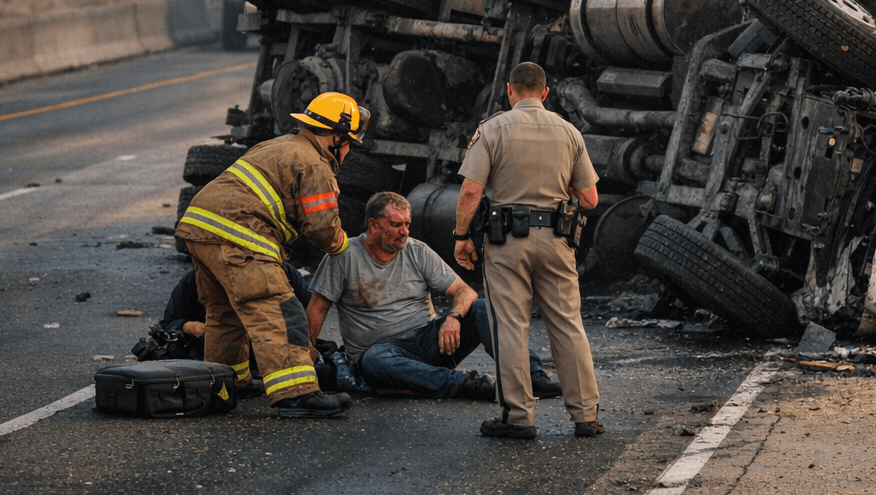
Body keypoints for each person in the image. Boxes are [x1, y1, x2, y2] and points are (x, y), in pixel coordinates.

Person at [173, 91, 362, 418]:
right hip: (239, 235)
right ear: (335, 138)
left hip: (199, 227)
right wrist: (343, 245)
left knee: (224, 313)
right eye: (348, 143)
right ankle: (297, 393)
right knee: (279, 308)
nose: (348, 152)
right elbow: (321, 228)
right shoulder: (315, 164)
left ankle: (226, 383)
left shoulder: (279, 145)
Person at [453, 62, 602, 440]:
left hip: (507, 244)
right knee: (568, 325)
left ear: (510, 91)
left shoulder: (492, 129)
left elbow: (471, 191)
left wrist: (461, 235)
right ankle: (586, 416)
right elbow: (589, 198)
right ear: (546, 92)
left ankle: (518, 418)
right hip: (556, 243)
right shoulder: (569, 132)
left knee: (511, 327)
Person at [305, 190, 561, 400]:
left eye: (407, 224)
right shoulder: (344, 256)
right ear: (373, 225)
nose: (404, 231)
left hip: (429, 342)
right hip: (384, 354)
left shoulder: (417, 250)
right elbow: (318, 307)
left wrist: (453, 317)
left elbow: (464, 291)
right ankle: (466, 384)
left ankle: (532, 374)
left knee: (482, 307)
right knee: (373, 361)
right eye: (396, 225)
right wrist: (304, 355)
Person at [158, 262, 312, 364]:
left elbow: (310, 317)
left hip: (275, 359)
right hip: (219, 363)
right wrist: (190, 327)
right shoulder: (196, 280)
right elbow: (166, 326)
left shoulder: (285, 274)